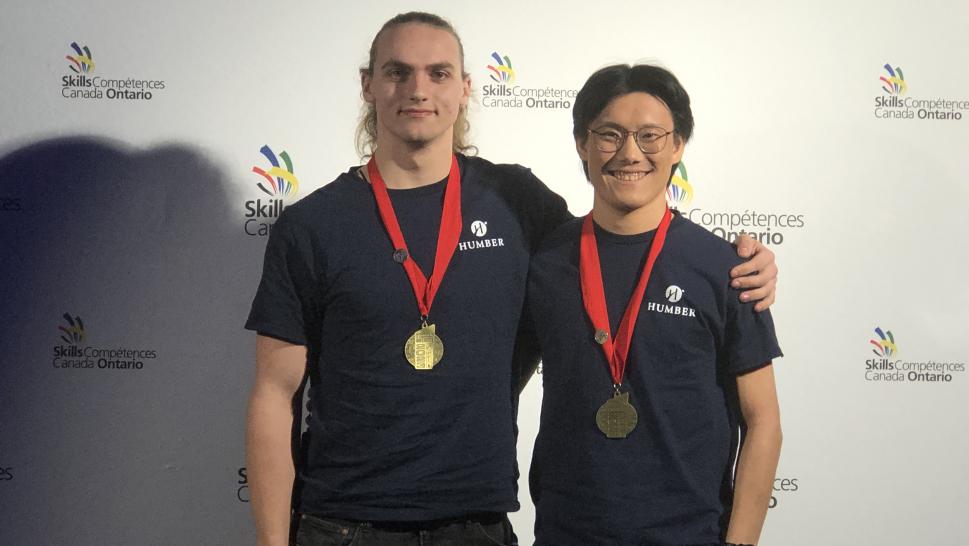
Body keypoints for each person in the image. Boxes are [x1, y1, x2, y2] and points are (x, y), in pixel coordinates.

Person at [244, 12, 778, 546]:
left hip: (478, 523)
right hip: (344, 523)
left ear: (465, 89)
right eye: (397, 72)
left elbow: (620, 246)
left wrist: (744, 260)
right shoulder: (312, 226)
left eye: (438, 73)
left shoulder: (517, 203)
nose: (418, 90)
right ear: (368, 85)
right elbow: (274, 394)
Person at [526, 64, 783, 546]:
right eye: (609, 135)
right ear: (582, 143)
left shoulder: (727, 269)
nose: (629, 154)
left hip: (690, 534)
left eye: (650, 136)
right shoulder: (544, 262)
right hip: (565, 534)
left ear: (678, 146)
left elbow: (763, 419)